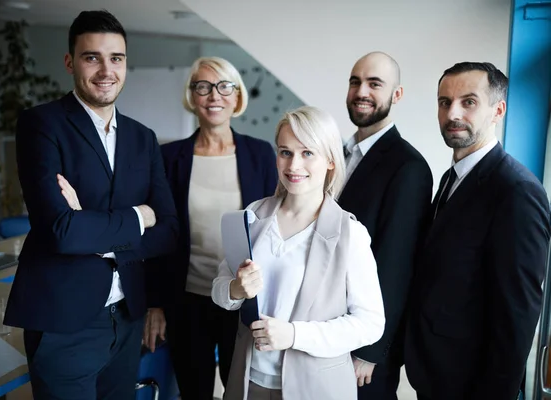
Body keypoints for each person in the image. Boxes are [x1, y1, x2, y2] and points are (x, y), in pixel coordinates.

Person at [4, 10, 178, 399]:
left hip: (127, 318)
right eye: (91, 57)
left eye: (116, 58)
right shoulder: (41, 125)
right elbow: (62, 232)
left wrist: (93, 227)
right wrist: (138, 216)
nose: (106, 70)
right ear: (70, 62)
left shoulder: (142, 138)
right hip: (65, 322)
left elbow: (167, 230)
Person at [212, 106, 385, 399]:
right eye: (285, 152)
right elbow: (219, 290)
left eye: (307, 153)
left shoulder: (350, 234)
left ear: (330, 160)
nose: (293, 165)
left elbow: (370, 324)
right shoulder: (253, 215)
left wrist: (294, 335)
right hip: (248, 379)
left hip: (315, 387)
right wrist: (236, 289)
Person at [404, 62, 551, 400]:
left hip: (473, 386)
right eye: (444, 102)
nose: (452, 112)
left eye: (468, 102)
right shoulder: (451, 178)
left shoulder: (516, 190)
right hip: (436, 374)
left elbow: (517, 315)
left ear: (497, 110)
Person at [143, 56, 278, 399]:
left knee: (241, 391)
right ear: (193, 97)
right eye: (202, 87)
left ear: (237, 98)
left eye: (223, 86)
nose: (213, 95)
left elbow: (273, 227)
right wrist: (155, 304)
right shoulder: (170, 157)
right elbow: (159, 233)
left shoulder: (260, 154)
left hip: (243, 298)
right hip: (186, 300)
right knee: (194, 391)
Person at [337, 51, 433, 399]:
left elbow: (397, 267)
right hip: (323, 329)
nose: (362, 91)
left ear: (397, 94)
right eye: (355, 81)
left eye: (374, 84)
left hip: (364, 346)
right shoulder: (336, 153)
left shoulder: (408, 167)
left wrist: (370, 350)